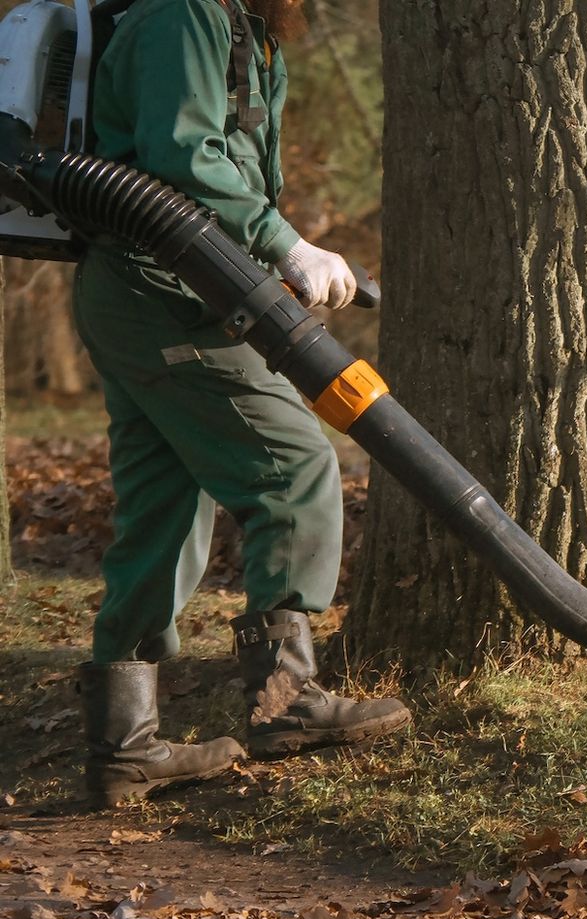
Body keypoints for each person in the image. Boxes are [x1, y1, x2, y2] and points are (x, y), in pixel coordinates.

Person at [72, 0, 408, 807]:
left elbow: (226, 168)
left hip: (158, 290)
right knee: (292, 466)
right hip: (158, 291)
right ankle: (287, 704)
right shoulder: (184, 13)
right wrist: (287, 243)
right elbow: (185, 159)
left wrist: (275, 254)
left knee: (162, 508)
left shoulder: (242, 27)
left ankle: (124, 746)